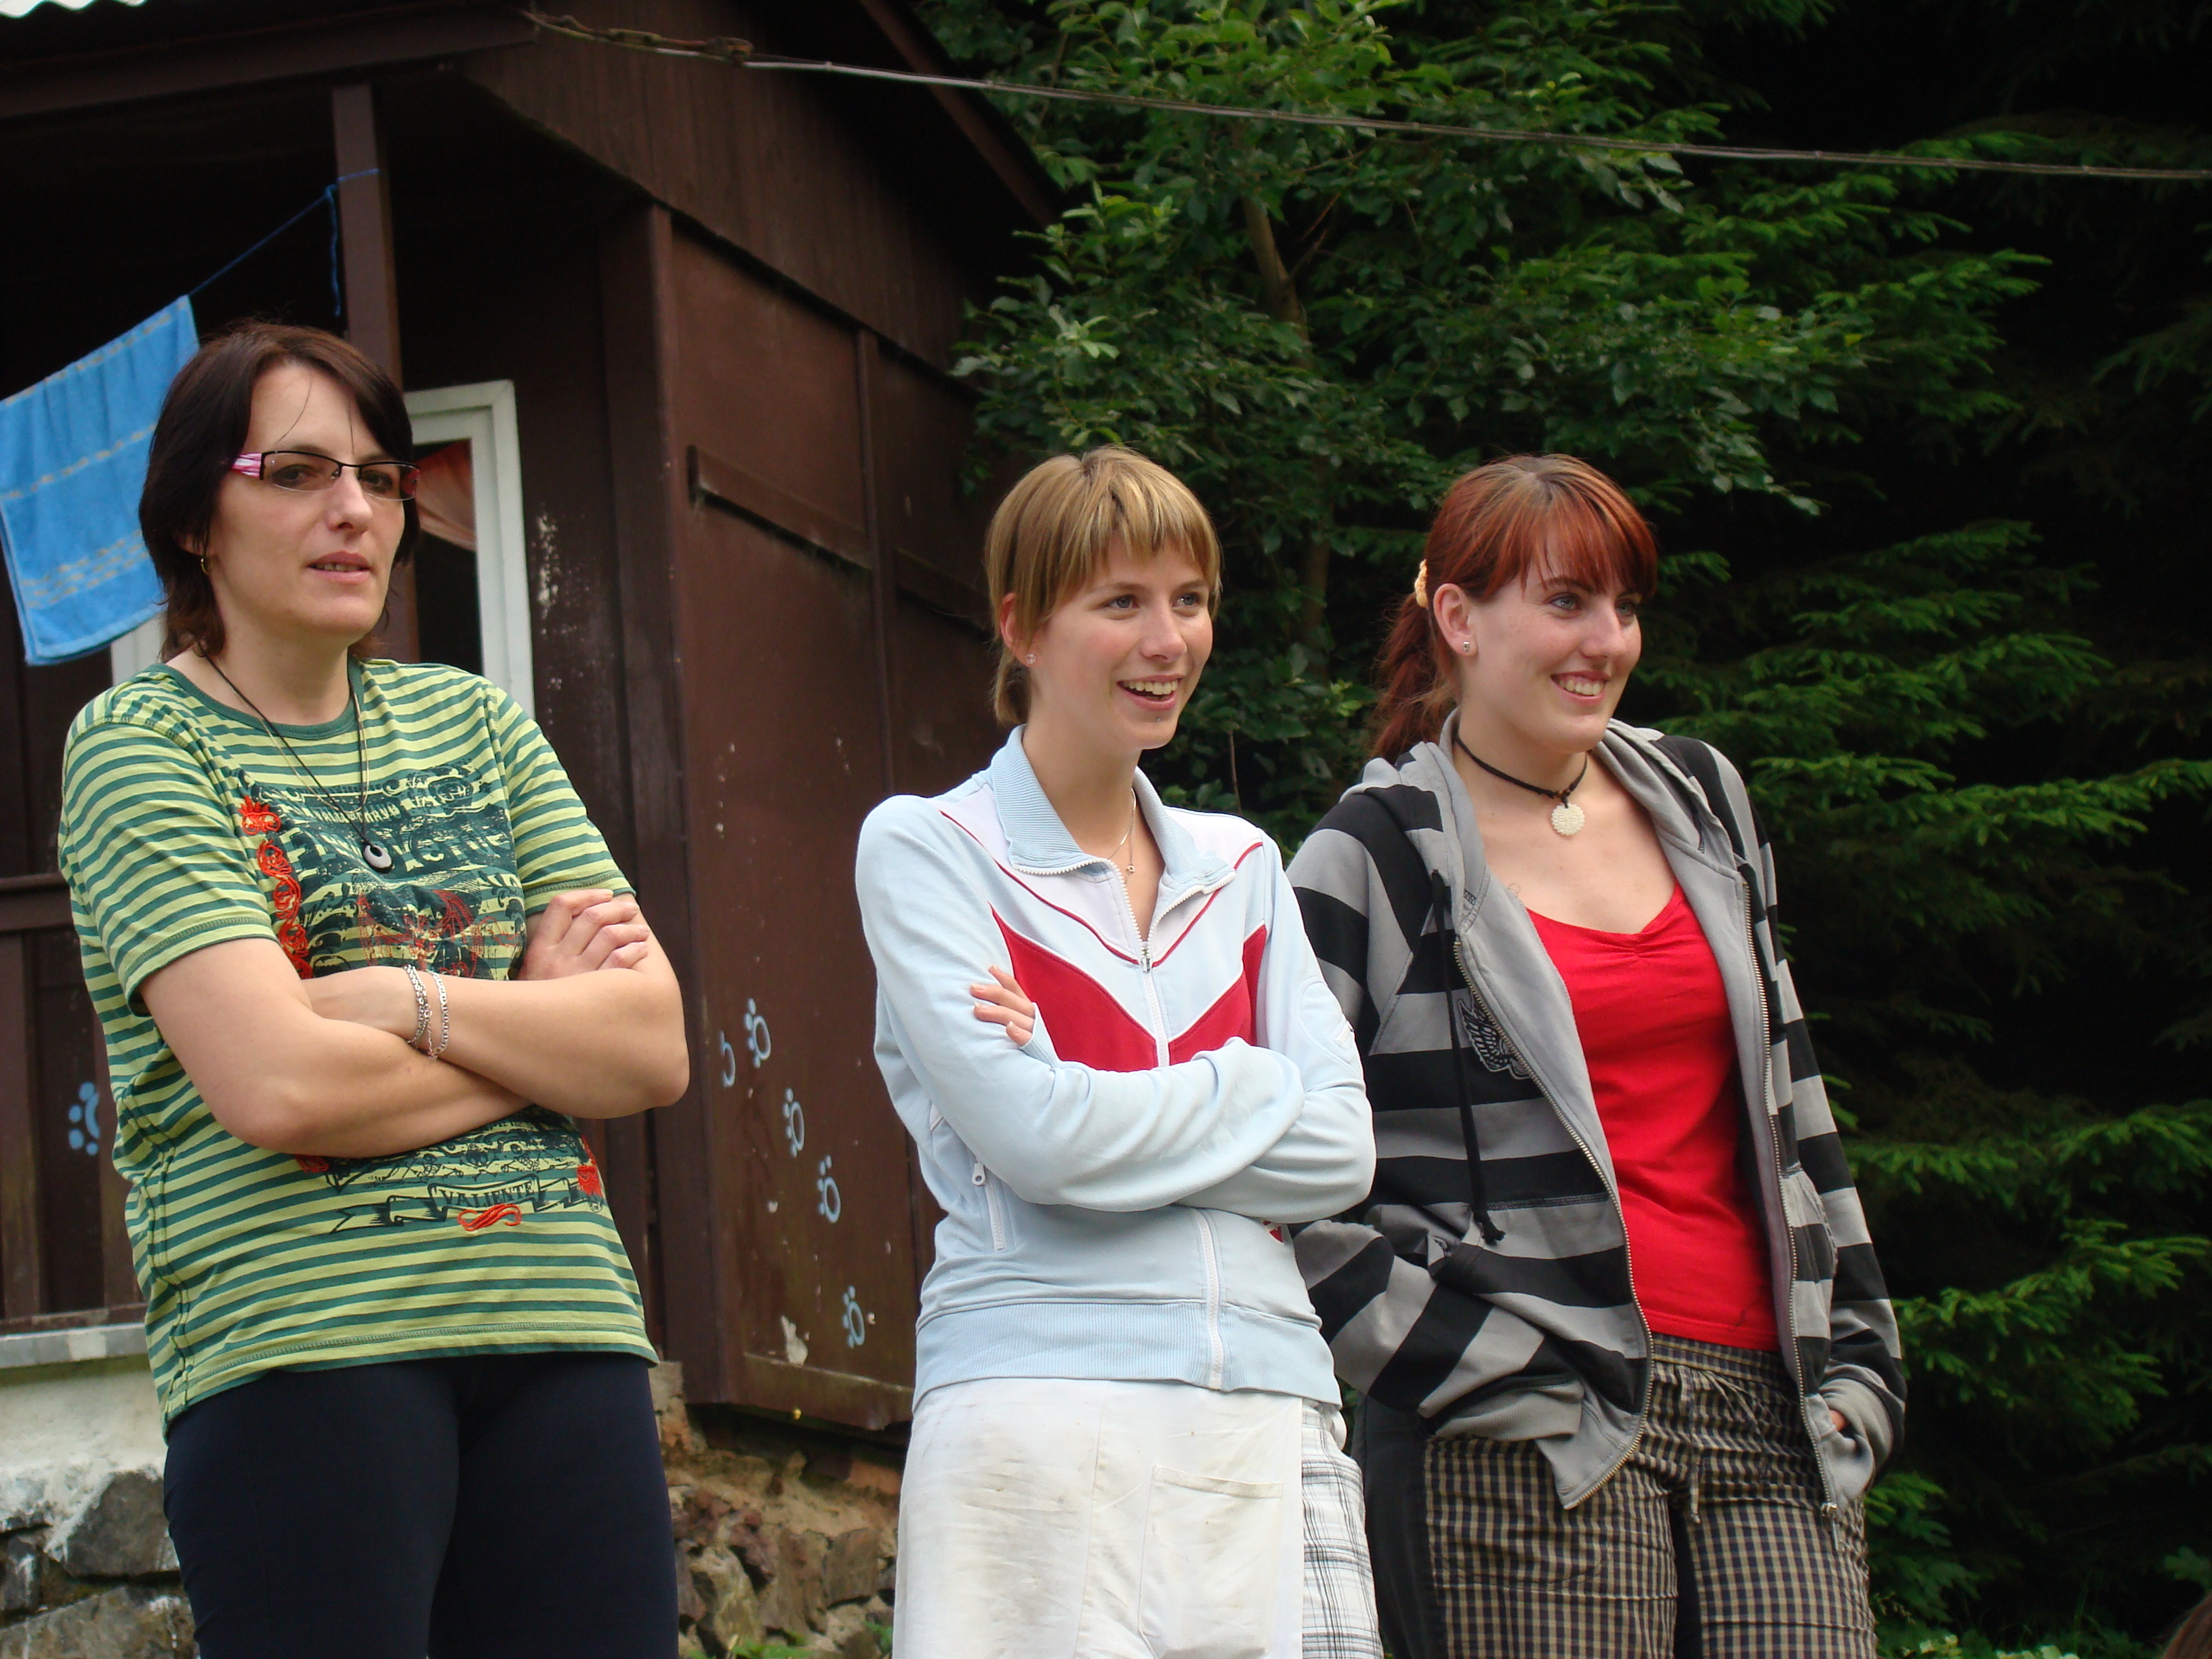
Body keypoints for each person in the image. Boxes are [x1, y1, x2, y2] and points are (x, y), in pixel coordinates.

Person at [57, 322, 690, 1659]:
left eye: (380, 477)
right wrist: (535, 1036)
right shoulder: (139, 746)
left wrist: (406, 1002)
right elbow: (281, 1087)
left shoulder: (478, 724)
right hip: (301, 1350)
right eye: (294, 472)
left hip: (564, 1325)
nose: (352, 509)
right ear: (193, 521)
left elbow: (648, 1048)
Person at [1286, 454, 1906, 1658]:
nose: (1608, 641)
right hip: (1521, 1431)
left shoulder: (1704, 801)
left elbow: (1792, 1094)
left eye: (1624, 606)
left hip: (1774, 1414)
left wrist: (1860, 1362)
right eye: (1566, 602)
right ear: (1458, 617)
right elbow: (1286, 1177)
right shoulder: (1375, 854)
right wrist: (1466, 1363)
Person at [855, 446, 1382, 1659]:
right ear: (1021, 627)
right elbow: (1036, 1145)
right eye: (1121, 602)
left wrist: (1093, 1101)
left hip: (1273, 1405)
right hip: (1038, 1408)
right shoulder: (930, 849)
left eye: (1189, 600)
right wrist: (1257, 1086)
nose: (1167, 640)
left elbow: (1344, 1151)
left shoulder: (1242, 865)